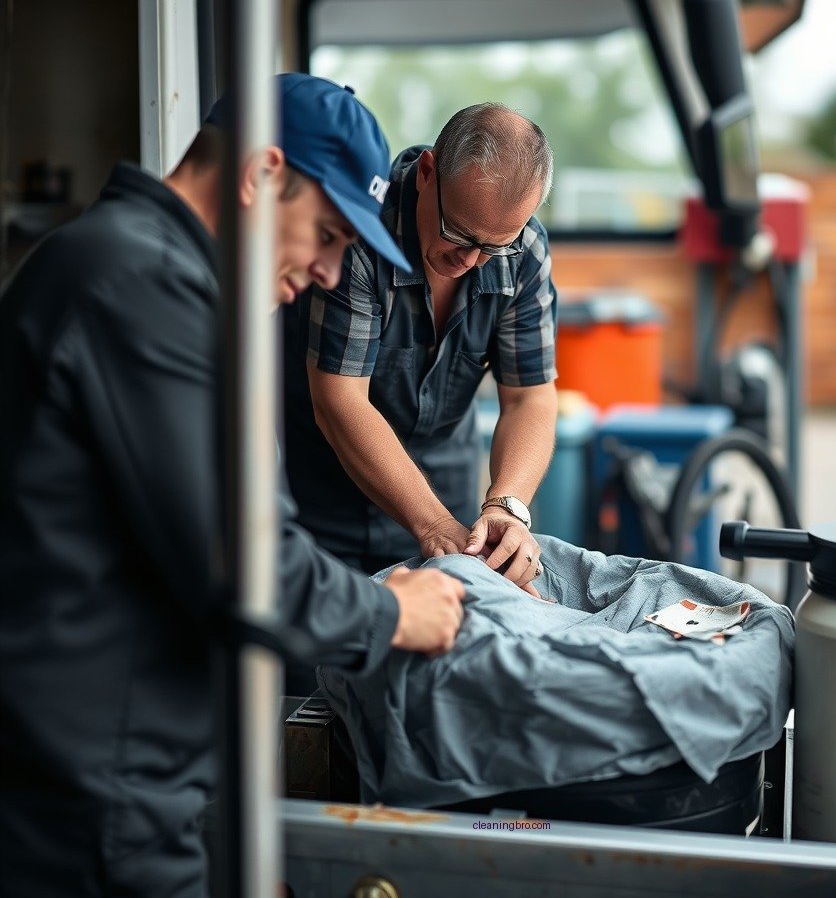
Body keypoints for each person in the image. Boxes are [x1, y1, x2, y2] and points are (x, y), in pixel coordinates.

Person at [0, 73, 465, 898]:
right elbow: (246, 567)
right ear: (260, 174)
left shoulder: (133, 272)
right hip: (89, 805)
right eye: (325, 234)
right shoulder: (141, 286)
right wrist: (397, 611)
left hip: (111, 781)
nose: (328, 272)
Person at [282, 103, 559, 591]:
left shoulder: (523, 252)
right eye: (458, 235)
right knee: (322, 656)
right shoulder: (359, 235)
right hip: (321, 496)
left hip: (445, 483)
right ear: (427, 172)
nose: (472, 261)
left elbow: (529, 397)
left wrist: (506, 506)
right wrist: (431, 525)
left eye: (493, 248)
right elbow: (340, 400)